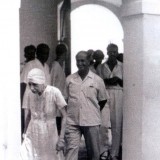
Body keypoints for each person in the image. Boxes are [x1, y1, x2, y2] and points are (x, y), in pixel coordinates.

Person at [65, 51, 108, 160]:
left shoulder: (97, 80)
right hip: (73, 121)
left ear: (89, 62)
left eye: (83, 60)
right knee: (71, 151)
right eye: (78, 61)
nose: (80, 63)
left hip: (91, 121)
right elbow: (65, 99)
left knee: (94, 153)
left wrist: (91, 111)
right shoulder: (70, 79)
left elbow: (102, 100)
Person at [22, 68, 67, 160]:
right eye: (29, 84)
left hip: (49, 133)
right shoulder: (30, 94)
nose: (31, 88)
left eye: (35, 84)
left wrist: (61, 139)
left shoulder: (54, 92)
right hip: (32, 132)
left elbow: (65, 116)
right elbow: (29, 115)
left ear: (42, 82)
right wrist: (25, 133)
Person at [97, 43, 123, 160]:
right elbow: (97, 83)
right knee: (103, 124)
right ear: (107, 52)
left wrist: (117, 79)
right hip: (104, 94)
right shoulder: (101, 67)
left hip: (118, 93)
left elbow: (127, 83)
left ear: (117, 53)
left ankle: (114, 153)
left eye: (114, 52)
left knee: (117, 124)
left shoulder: (123, 66)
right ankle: (103, 151)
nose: (112, 54)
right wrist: (108, 80)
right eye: (110, 52)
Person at [20, 43, 51, 134]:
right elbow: (23, 83)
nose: (45, 56)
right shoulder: (30, 65)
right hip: (30, 101)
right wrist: (21, 102)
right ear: (37, 53)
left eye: (47, 53)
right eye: (43, 53)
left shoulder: (47, 66)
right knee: (29, 128)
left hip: (43, 101)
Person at [50, 43, 68, 135]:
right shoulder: (55, 66)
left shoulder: (61, 66)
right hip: (55, 99)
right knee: (57, 123)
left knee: (61, 122)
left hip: (61, 99)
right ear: (64, 53)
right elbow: (51, 83)